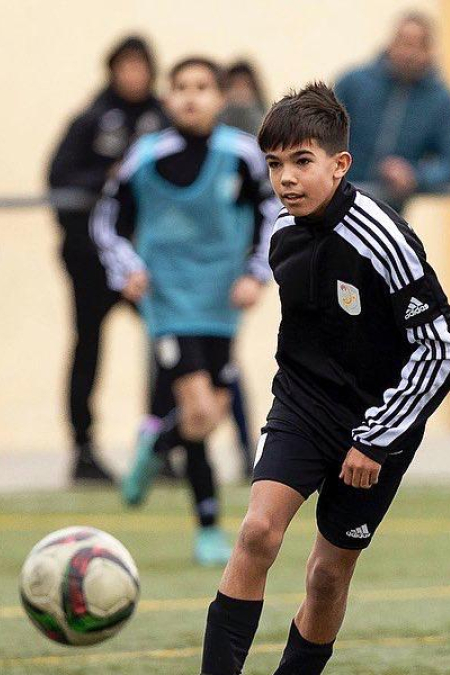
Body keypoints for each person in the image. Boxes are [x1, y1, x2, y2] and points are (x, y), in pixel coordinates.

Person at [199, 83, 450, 675]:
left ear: (340, 164)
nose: (286, 179)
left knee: (326, 575)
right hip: (303, 407)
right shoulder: (280, 232)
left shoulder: (384, 238)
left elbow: (443, 346)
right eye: (275, 164)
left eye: (302, 161)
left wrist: (377, 436)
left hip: (378, 422)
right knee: (257, 532)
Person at [92, 57, 278, 566]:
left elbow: (272, 212)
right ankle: (208, 529)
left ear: (220, 98)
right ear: (167, 97)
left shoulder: (241, 155)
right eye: (181, 87)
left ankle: (156, 444)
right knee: (198, 410)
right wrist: (127, 268)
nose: (191, 97)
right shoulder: (146, 156)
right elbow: (107, 220)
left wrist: (256, 272)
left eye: (202, 87)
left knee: (209, 414)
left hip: (222, 301)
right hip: (168, 300)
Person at [47, 35, 167, 483]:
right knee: (88, 347)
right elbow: (59, 177)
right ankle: (83, 448)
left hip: (150, 260)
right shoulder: (91, 119)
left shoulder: (164, 120)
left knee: (169, 347)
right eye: (125, 65)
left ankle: (163, 445)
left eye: (141, 65)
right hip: (91, 259)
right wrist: (108, 176)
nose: (133, 75)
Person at [333, 11, 450, 213]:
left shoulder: (439, 100)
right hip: (334, 200)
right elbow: (319, 134)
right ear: (391, 43)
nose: (409, 53)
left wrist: (414, 176)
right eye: (403, 42)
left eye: (418, 45)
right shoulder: (353, 84)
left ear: (430, 51)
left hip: (388, 213)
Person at [219, 60, 267, 135]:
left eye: (244, 86)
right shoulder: (217, 124)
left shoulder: (264, 121)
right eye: (235, 86)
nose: (239, 92)